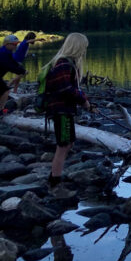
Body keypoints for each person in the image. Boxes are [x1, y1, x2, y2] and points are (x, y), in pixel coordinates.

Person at [42, 33, 94, 186]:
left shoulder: (65, 63)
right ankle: (55, 181)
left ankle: (55, 176)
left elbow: (71, 89)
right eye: (83, 47)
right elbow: (66, 89)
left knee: (68, 143)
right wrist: (84, 101)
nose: (84, 50)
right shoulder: (64, 64)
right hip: (61, 111)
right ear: (77, 47)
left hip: (64, 110)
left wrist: (84, 101)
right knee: (63, 145)